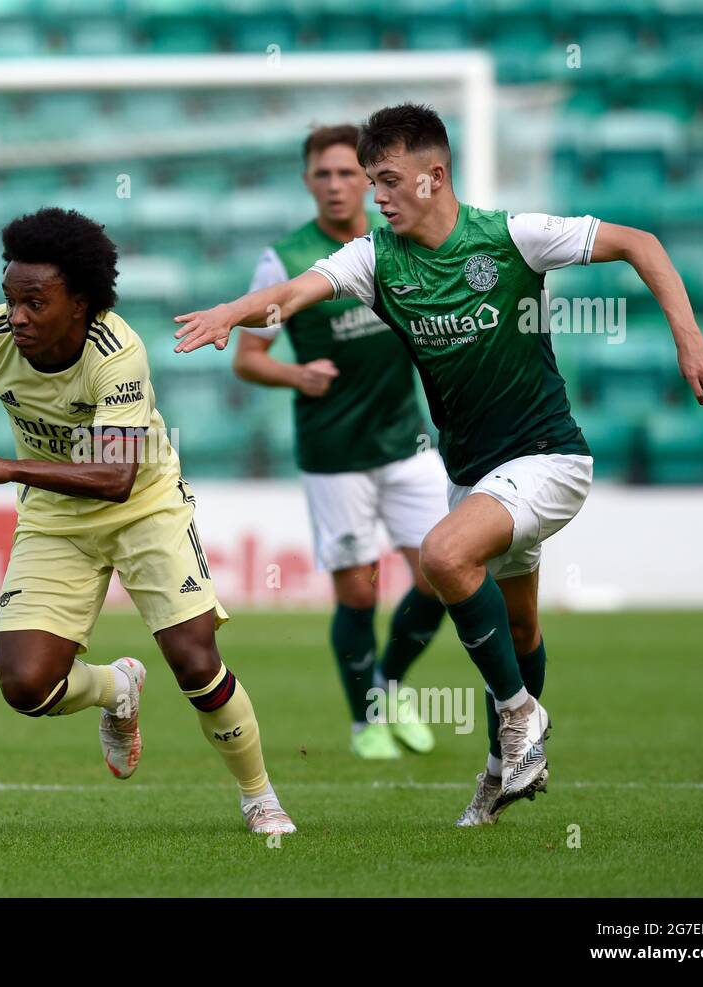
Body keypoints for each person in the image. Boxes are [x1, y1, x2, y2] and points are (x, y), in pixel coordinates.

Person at [173, 104, 703, 825]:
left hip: (550, 457)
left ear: (435, 177)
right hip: (476, 474)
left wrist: (687, 339)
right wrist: (231, 312)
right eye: (375, 182)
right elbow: (290, 294)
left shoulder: (512, 236)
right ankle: (502, 769)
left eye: (391, 180)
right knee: (521, 631)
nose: (380, 196)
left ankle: (520, 715)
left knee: (439, 554)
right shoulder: (376, 259)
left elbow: (641, 243)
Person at [0, 206, 296, 834]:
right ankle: (117, 688)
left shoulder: (116, 355)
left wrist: (9, 468)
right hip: (56, 517)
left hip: (142, 506)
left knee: (196, 662)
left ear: (82, 303)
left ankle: (259, 796)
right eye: (10, 299)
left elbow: (114, 479)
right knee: (25, 686)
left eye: (35, 302)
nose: (17, 316)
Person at [232, 124, 447, 761]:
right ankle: (365, 723)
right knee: (357, 592)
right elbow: (248, 358)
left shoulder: (399, 241)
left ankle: (387, 686)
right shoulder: (286, 258)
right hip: (334, 453)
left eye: (347, 173)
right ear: (307, 182)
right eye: (322, 174)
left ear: (369, 177)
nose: (335, 185)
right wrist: (296, 373)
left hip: (408, 441)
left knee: (443, 573)